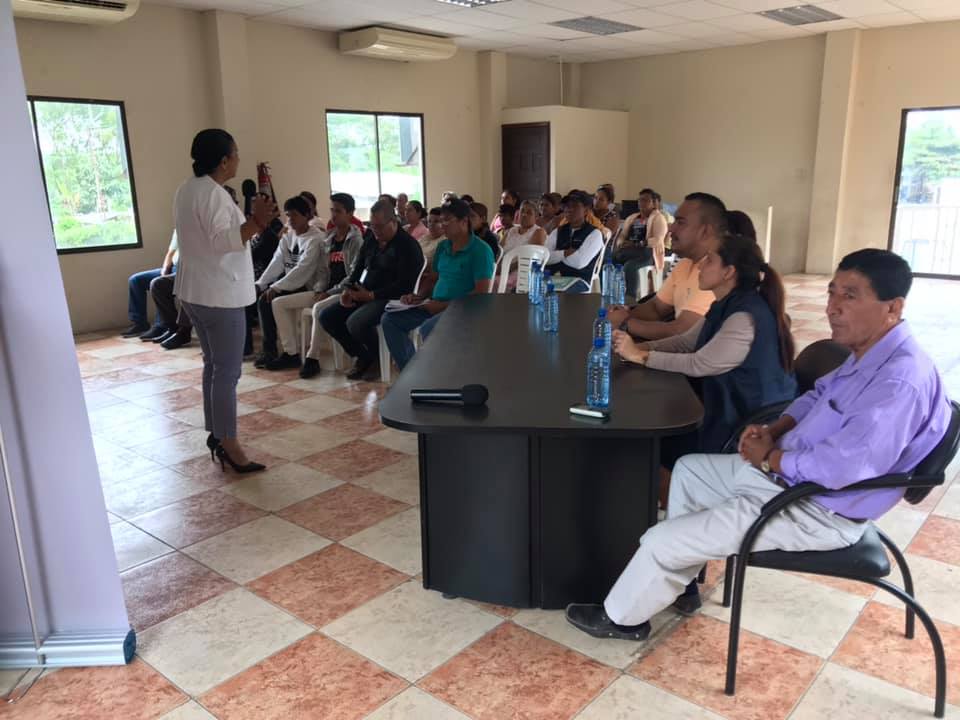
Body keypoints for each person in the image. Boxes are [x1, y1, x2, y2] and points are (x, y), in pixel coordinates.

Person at [568, 248, 952, 639]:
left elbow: (841, 469)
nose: (832, 307)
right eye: (832, 293)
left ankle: (622, 620)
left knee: (662, 538)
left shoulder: (898, 382)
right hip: (791, 479)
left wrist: (771, 458)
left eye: (849, 296)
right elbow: (817, 395)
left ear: (893, 307)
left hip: (817, 508)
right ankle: (678, 582)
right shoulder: (871, 352)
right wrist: (775, 428)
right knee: (690, 470)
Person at [614, 232, 797, 477]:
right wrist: (638, 349)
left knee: (651, 442)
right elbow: (686, 343)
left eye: (709, 260)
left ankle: (665, 493)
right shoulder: (724, 304)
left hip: (742, 424)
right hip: (720, 406)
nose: (701, 266)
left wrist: (640, 357)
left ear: (728, 272)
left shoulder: (745, 316)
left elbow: (699, 363)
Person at [174, 128, 274, 474]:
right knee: (227, 372)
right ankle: (229, 443)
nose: (238, 160)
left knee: (213, 365)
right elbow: (222, 241)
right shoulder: (214, 194)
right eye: (235, 154)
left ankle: (217, 432)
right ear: (223, 160)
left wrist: (252, 222)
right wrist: (257, 222)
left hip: (196, 291)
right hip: (219, 295)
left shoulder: (187, 189)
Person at [381, 198, 494, 371]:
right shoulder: (443, 246)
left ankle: (440, 375)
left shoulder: (481, 250)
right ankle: (410, 372)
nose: (442, 225)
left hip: (463, 310)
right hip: (434, 305)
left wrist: (443, 306)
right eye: (441, 220)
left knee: (430, 329)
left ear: (464, 221)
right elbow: (433, 279)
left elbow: (481, 294)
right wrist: (419, 296)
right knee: (390, 320)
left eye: (447, 220)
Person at [319, 198, 424, 380]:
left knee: (355, 322)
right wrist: (348, 289)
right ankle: (363, 355)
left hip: (390, 298)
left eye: (380, 227)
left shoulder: (407, 246)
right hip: (364, 293)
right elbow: (358, 268)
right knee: (327, 317)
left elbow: (404, 285)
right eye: (372, 226)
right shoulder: (371, 239)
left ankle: (375, 358)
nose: (376, 231)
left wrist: (372, 295)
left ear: (393, 222)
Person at [606, 193, 723, 341]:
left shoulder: (718, 270)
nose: (671, 229)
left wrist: (625, 323)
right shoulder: (685, 263)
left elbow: (682, 331)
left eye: (680, 223)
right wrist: (623, 314)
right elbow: (656, 308)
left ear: (705, 231)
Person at [254, 195, 328, 370]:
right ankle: (271, 351)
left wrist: (276, 287)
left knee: (269, 300)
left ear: (307, 216)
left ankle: (288, 353)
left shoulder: (316, 238)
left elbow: (303, 269)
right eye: (288, 215)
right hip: (292, 284)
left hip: (310, 286)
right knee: (262, 298)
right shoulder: (288, 237)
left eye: (294, 215)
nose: (290, 219)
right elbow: (276, 262)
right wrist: (261, 284)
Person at [301, 193, 365, 379]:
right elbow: (323, 271)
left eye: (338, 211)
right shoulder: (328, 239)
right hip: (326, 290)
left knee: (319, 308)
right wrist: (320, 288)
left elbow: (353, 275)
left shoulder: (356, 240)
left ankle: (312, 358)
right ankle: (290, 353)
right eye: (332, 210)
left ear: (350, 213)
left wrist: (329, 292)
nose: (333, 215)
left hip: (345, 291)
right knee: (281, 303)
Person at [614, 188, 670, 299]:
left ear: (653, 203)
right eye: (640, 200)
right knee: (612, 260)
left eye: (645, 200)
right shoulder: (632, 218)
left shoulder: (658, 218)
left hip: (648, 253)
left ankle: (629, 298)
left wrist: (637, 244)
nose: (641, 203)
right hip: (630, 251)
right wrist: (621, 243)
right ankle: (613, 293)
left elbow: (657, 240)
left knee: (629, 266)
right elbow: (622, 235)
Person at [122, 233, 180, 339]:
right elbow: (170, 253)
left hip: (185, 270)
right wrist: (165, 269)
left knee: (159, 284)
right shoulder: (178, 229)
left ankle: (161, 326)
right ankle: (140, 323)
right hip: (173, 267)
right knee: (135, 280)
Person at [544, 190, 605, 284]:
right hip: (551, 280)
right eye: (567, 206)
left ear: (586, 210)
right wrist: (565, 253)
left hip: (578, 281)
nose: (569, 209)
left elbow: (579, 262)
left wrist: (556, 255)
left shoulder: (594, 234)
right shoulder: (558, 231)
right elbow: (545, 256)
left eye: (575, 206)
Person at [148, 233, 193, 350]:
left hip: (199, 272)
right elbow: (171, 252)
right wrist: (166, 269)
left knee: (189, 283)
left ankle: (183, 331)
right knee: (157, 284)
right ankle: (172, 328)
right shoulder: (181, 229)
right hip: (180, 270)